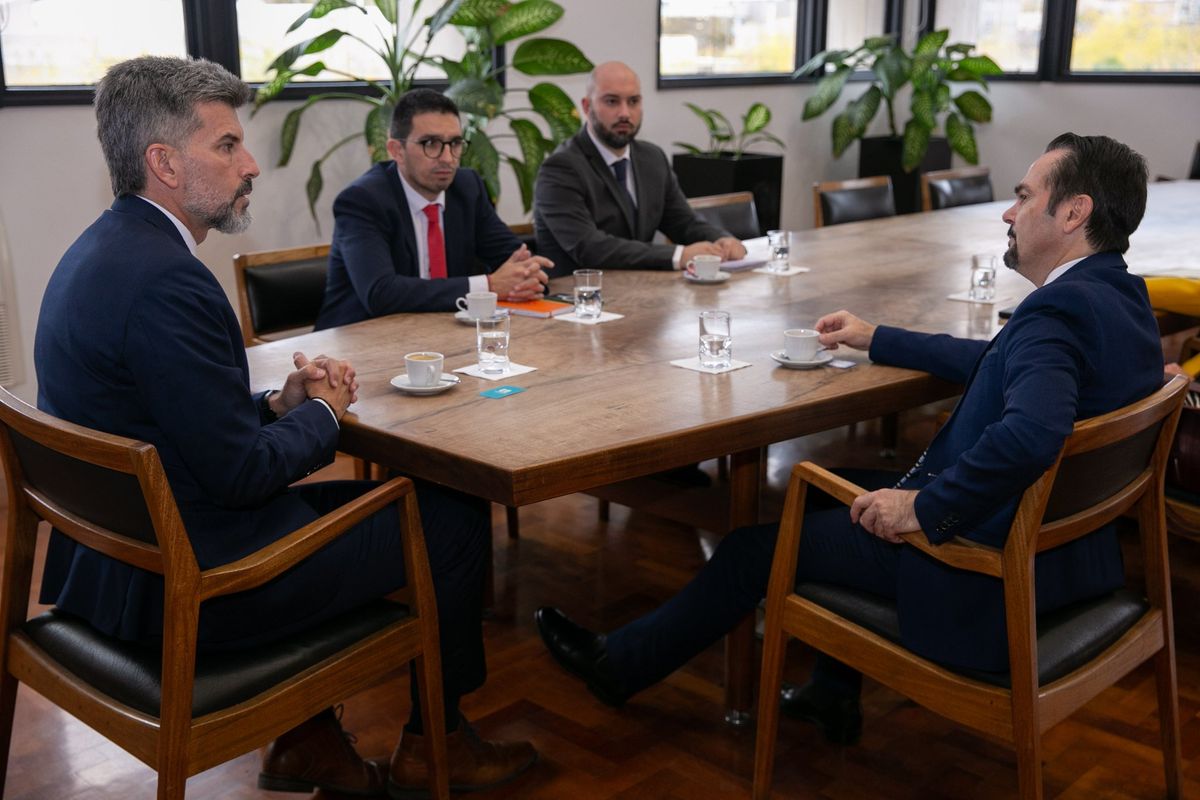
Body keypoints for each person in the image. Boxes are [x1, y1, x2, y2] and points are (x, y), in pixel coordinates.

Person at [535, 133, 1163, 743]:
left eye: (1024, 197)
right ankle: (831, 692)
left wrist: (923, 507)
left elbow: (1032, 432)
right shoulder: (1119, 296)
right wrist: (877, 337)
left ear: (1073, 212)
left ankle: (618, 669)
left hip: (976, 573)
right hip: (1064, 561)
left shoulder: (1055, 312)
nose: (1009, 211)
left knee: (751, 549)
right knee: (818, 500)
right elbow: (999, 362)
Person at [35, 57, 535, 797]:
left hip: (115, 566)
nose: (252, 165)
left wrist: (278, 406)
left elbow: (173, 421)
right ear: (164, 163)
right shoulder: (172, 283)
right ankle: (439, 749)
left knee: (375, 508)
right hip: (200, 585)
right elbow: (241, 477)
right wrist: (328, 414)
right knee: (453, 518)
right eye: (228, 146)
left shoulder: (97, 254)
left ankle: (306, 742)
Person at [315, 88, 552, 328]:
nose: (448, 158)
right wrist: (488, 286)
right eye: (431, 143)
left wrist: (527, 275)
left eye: (455, 143)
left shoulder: (467, 188)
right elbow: (380, 294)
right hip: (354, 346)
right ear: (396, 150)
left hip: (440, 334)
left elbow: (515, 259)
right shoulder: (363, 200)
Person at [533, 61, 747, 277]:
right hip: (578, 301)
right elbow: (590, 248)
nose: (625, 113)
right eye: (612, 101)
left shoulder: (651, 158)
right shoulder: (560, 168)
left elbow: (683, 222)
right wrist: (678, 255)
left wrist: (721, 240)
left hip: (642, 292)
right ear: (587, 107)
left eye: (633, 101)